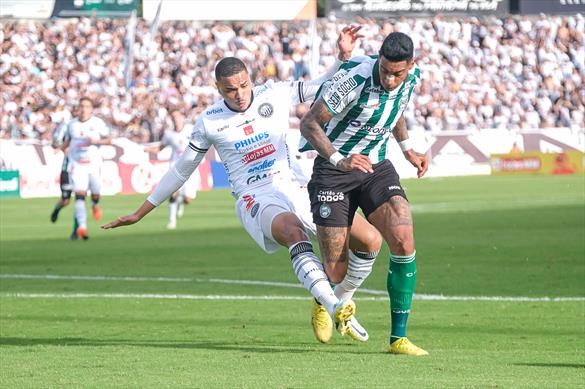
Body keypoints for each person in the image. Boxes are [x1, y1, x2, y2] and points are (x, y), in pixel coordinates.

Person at [103, 26, 384, 344]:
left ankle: (329, 299)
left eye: (243, 85)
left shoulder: (274, 93)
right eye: (230, 90)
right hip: (255, 197)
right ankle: (337, 309)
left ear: (250, 78)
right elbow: (182, 170)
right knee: (292, 231)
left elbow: (322, 85)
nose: (239, 94)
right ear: (218, 89)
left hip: (295, 185)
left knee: (368, 240)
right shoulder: (209, 122)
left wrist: (342, 58)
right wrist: (142, 211)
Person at [299, 32, 429, 355]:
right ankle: (325, 297)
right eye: (385, 70)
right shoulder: (355, 77)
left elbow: (396, 110)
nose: (389, 78)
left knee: (402, 234)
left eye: (397, 73)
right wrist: (339, 160)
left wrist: (408, 149)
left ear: (411, 66)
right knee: (336, 271)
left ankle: (398, 338)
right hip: (334, 171)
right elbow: (309, 123)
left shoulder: (411, 79)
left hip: (375, 166)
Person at [61, 97, 111, 240]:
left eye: (87, 106)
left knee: (95, 193)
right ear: (78, 108)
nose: (84, 109)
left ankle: (95, 204)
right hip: (77, 165)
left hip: (94, 164)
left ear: (91, 109)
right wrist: (61, 149)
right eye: (81, 106)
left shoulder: (97, 123)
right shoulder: (72, 124)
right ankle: (82, 227)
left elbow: (109, 140)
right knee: (79, 196)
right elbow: (68, 141)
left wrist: (97, 141)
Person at [144, 110, 199, 229]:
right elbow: (160, 148)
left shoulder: (191, 129)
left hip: (191, 167)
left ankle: (181, 203)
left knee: (188, 199)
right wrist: (146, 149)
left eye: (178, 116)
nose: (176, 119)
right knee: (172, 193)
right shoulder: (169, 134)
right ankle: (172, 221)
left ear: (182, 118)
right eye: (173, 117)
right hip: (175, 167)